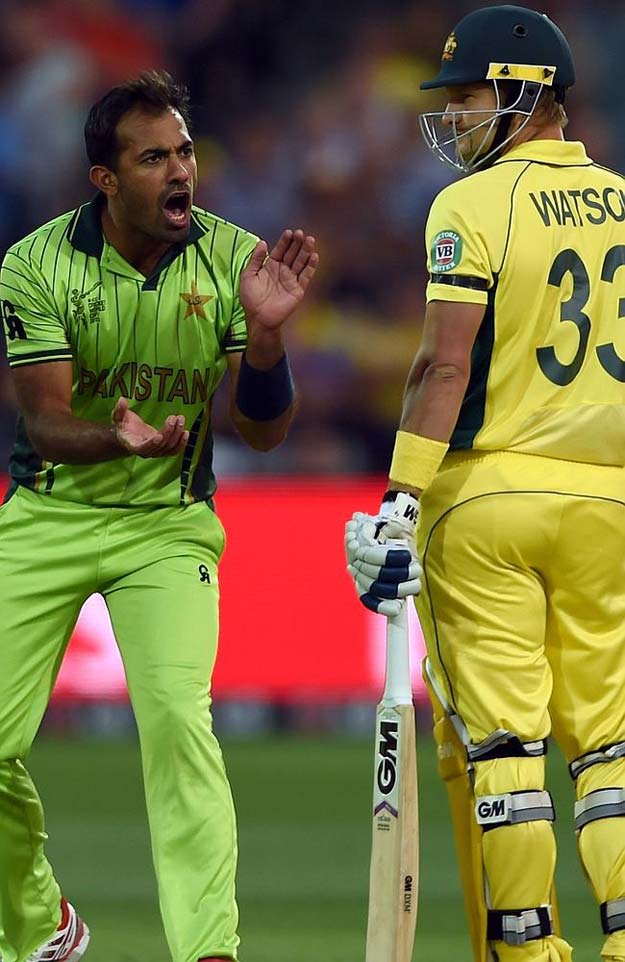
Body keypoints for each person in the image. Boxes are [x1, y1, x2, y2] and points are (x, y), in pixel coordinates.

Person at [0, 70, 318, 962]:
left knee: (180, 725)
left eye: (184, 151)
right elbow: (44, 420)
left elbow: (262, 432)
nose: (180, 172)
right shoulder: (34, 265)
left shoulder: (233, 259)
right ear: (104, 179)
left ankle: (208, 951)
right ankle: (40, 928)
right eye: (153, 158)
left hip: (169, 525)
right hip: (50, 514)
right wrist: (115, 437)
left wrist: (264, 340)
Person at [346, 6, 625, 962]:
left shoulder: (469, 206)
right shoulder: (624, 199)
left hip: (485, 504)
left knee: (506, 755)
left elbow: (441, 367)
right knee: (609, 757)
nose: (456, 117)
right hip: (609, 505)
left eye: (467, 96)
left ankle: (528, 952)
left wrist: (398, 498)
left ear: (523, 93)